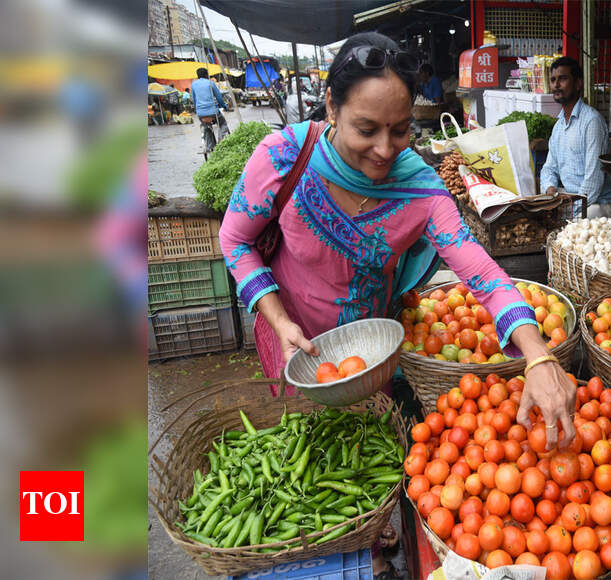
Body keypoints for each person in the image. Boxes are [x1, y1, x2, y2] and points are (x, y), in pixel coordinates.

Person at [219, 32, 577, 444]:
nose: (385, 150)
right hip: (291, 347)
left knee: (366, 455)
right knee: (300, 452)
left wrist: (538, 355)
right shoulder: (284, 157)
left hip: (371, 360)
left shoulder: (420, 191)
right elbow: (235, 242)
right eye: (366, 129)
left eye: (401, 130)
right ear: (333, 107)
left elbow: (483, 273)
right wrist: (279, 321)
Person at [539, 56, 611, 219]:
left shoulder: (592, 121)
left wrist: (567, 211)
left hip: (597, 204)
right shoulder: (558, 126)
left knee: (582, 220)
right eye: (553, 80)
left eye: (563, 78)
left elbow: (593, 181)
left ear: (578, 83)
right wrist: (551, 191)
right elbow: (549, 168)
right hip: (572, 199)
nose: (556, 85)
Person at [190, 67, 229, 141]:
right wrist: (225, 106)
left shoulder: (193, 85)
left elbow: (194, 100)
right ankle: (221, 141)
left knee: (206, 127)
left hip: (201, 113)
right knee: (222, 124)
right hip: (213, 112)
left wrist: (197, 110)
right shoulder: (211, 83)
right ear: (206, 75)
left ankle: (209, 147)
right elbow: (219, 98)